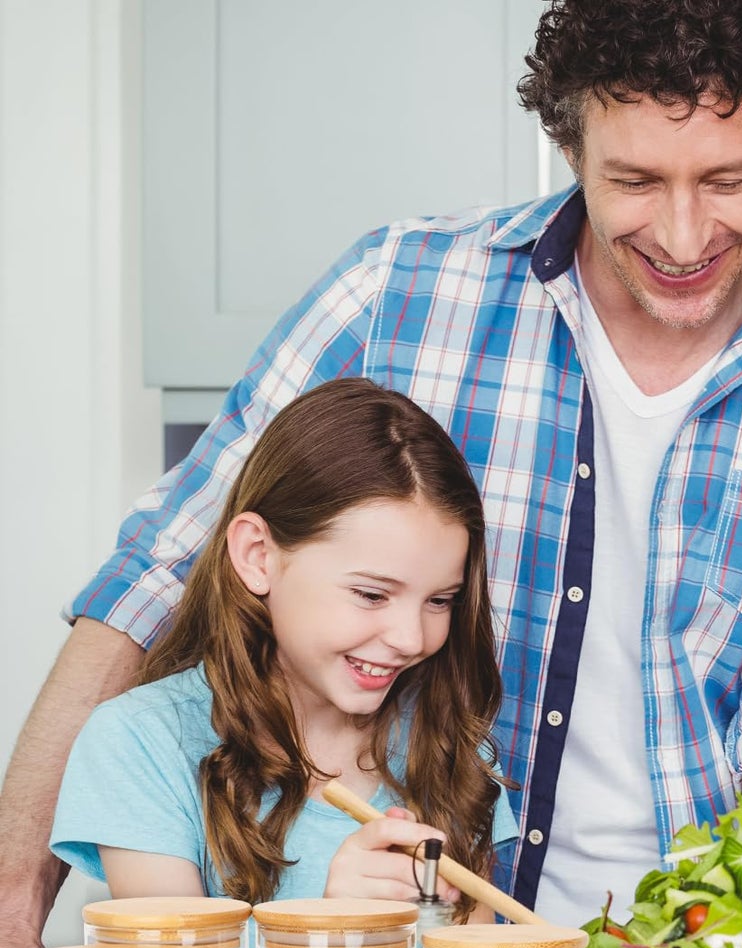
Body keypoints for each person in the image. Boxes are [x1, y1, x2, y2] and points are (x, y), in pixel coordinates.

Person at [0, 0, 742, 948]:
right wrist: (11, 888)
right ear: (568, 144)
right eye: (636, 181)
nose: (686, 233)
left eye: (729, 181)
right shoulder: (404, 291)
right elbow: (159, 571)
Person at [49, 378, 515, 910]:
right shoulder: (140, 744)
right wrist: (331, 927)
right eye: (370, 594)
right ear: (256, 555)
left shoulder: (447, 747)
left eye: (440, 601)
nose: (411, 639)